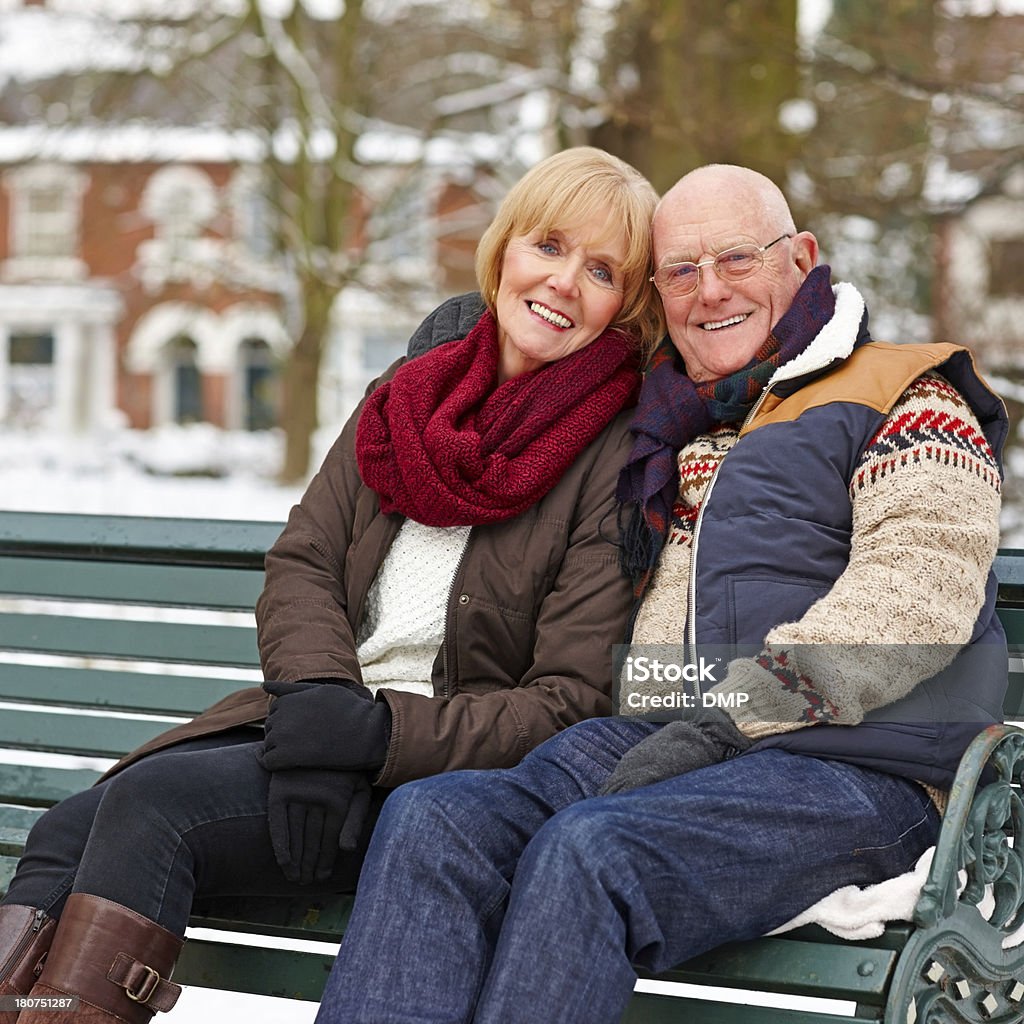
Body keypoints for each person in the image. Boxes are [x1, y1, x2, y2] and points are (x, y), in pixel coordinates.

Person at [313, 163, 1009, 1024]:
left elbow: (913, 603)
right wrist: (458, 344)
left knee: (592, 851)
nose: (708, 290)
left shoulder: (909, 397)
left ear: (801, 256)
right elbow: (541, 366)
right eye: (680, 271)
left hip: (861, 771)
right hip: (666, 737)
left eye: (737, 259)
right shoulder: (678, 425)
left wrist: (729, 720)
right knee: (432, 822)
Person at [0, 147, 664, 1024]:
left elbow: (565, 703)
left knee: (154, 807)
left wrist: (373, 734)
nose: (564, 282)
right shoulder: (408, 394)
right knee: (60, 834)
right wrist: (318, 702)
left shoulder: (617, 453)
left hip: (435, 785)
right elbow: (306, 558)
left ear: (628, 303)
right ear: (505, 248)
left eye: (603, 270)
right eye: (549, 245)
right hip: (316, 731)